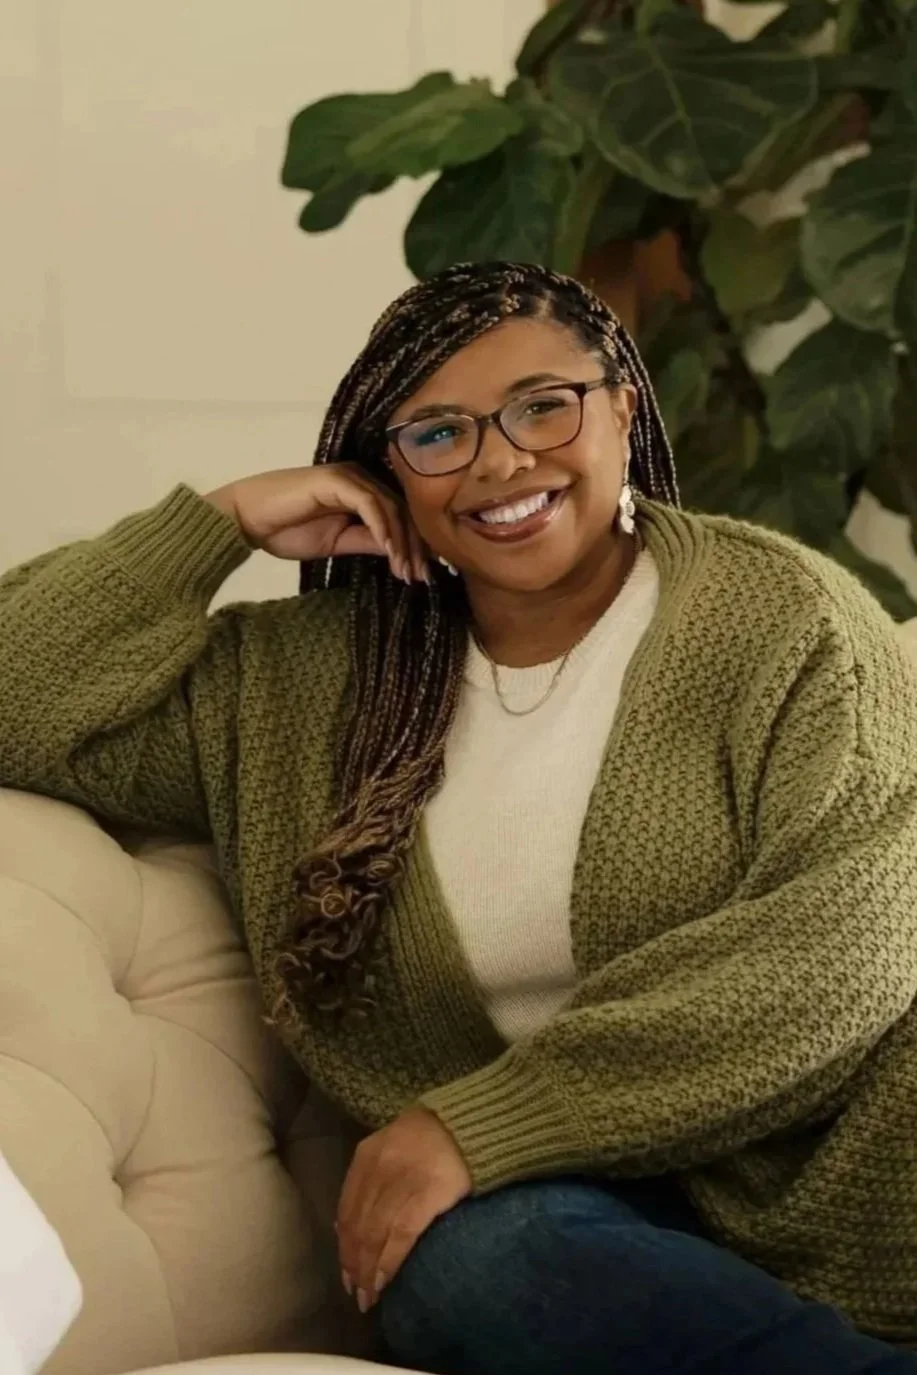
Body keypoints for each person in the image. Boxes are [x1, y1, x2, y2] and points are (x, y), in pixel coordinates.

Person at [2, 261, 917, 1375]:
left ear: (622, 407)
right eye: (435, 434)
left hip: (851, 1195)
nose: (500, 462)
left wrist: (488, 1123)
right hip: (576, 1231)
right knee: (458, 1266)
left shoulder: (783, 619)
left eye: (543, 405)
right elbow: (19, 698)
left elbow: (848, 948)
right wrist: (218, 523)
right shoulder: (300, 688)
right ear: (383, 469)